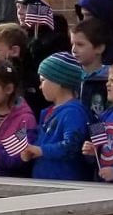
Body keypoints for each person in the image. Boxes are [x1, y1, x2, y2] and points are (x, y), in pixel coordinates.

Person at [29, 53, 93, 182]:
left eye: (43, 80)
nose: (40, 86)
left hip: (66, 182)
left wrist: (41, 150)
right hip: (45, 180)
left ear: (58, 81)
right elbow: (40, 138)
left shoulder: (73, 113)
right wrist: (29, 150)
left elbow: (71, 146)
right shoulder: (48, 112)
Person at [14, 0, 71, 64]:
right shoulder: (20, 37)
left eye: (25, 7)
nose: (19, 12)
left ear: (41, 10)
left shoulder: (57, 41)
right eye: (18, 7)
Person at [72, 17, 113, 118]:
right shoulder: (71, 75)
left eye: (80, 45)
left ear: (99, 48)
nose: (74, 49)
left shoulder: (111, 77)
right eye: (72, 44)